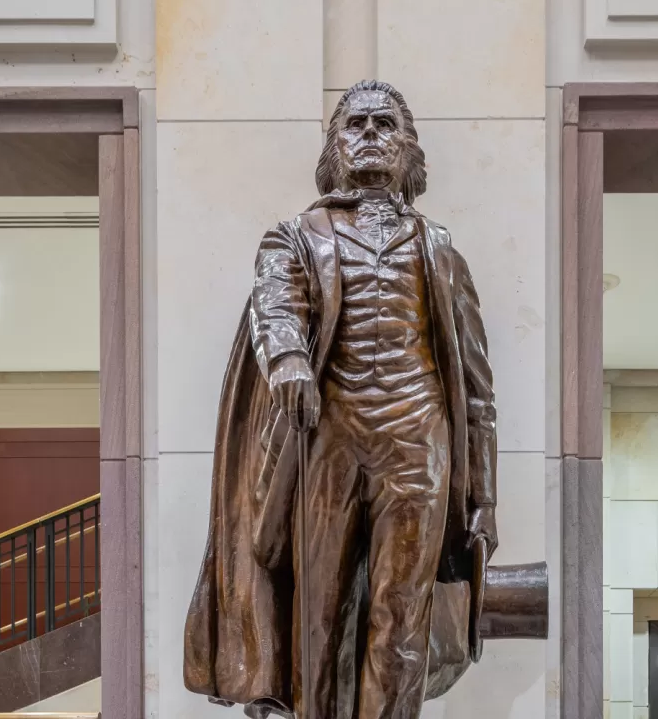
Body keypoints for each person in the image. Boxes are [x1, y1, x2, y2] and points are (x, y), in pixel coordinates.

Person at [184, 80, 498, 719]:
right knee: (317, 609)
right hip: (330, 434)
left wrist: (485, 496)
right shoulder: (296, 235)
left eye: (386, 124)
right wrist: (290, 358)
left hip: (420, 443)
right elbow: (275, 303)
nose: (371, 135)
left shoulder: (440, 251)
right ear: (334, 146)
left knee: (401, 614)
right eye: (355, 124)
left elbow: (476, 385)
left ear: (410, 151)